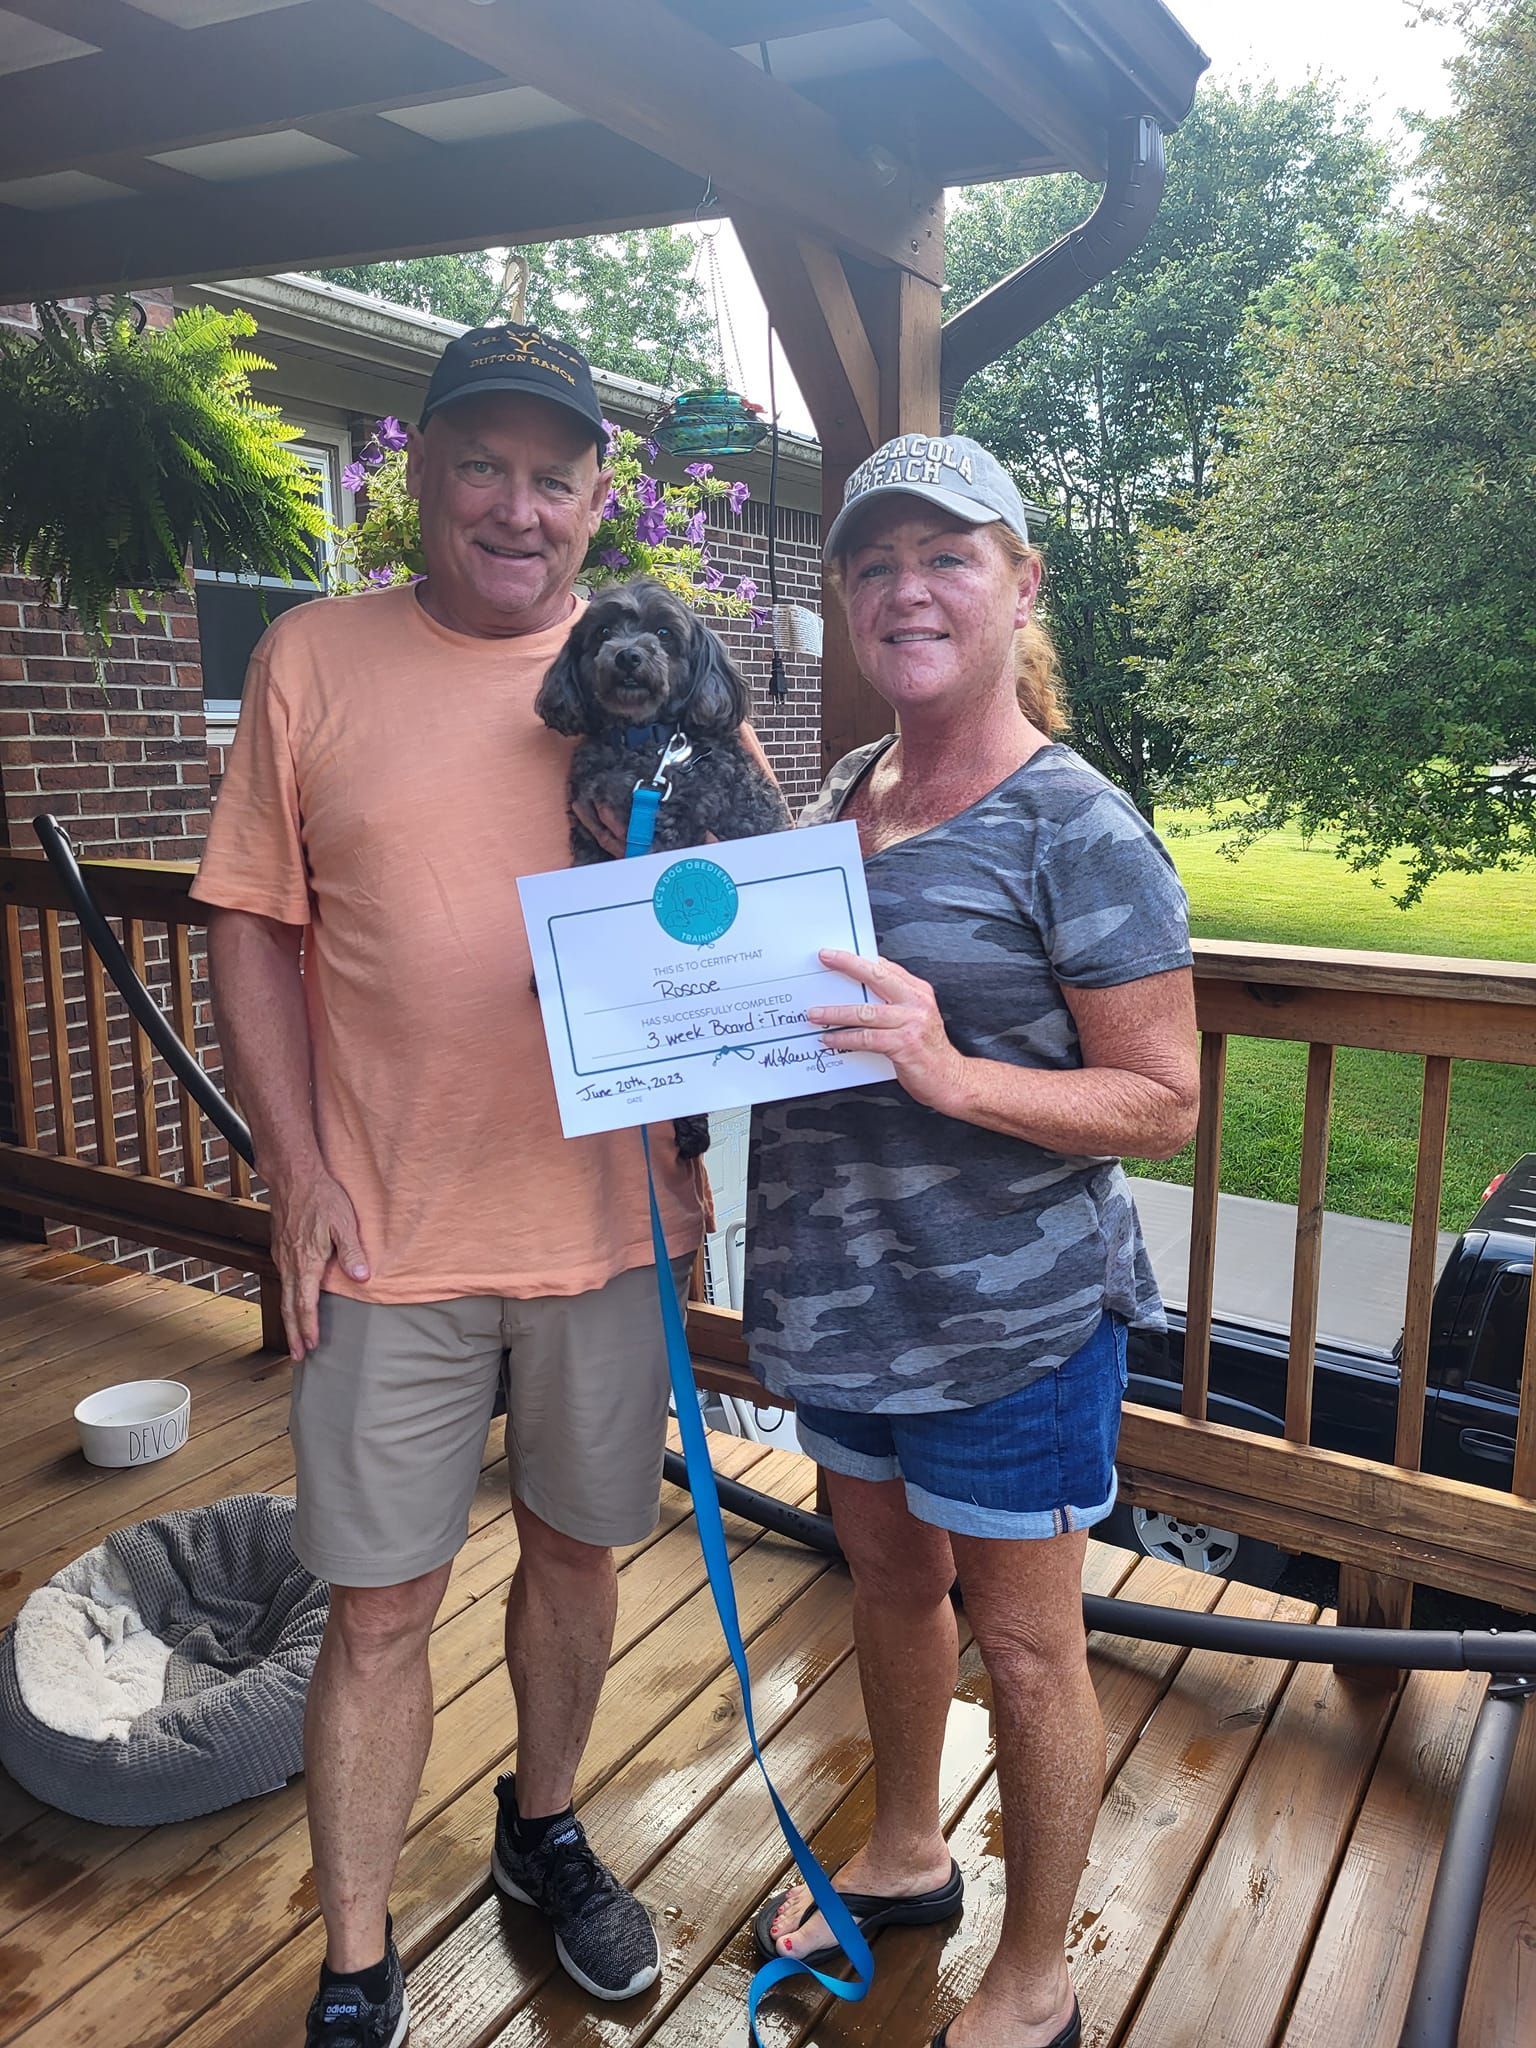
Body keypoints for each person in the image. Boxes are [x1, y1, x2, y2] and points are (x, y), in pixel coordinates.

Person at [192, 324, 710, 2048]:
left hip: (606, 1228)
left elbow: (734, 930)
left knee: (578, 1557)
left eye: (553, 475)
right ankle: (355, 1955)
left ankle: (543, 1828)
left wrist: (693, 1139)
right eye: (480, 465)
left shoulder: (668, 674)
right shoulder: (310, 657)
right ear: (415, 472)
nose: (517, 505)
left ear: (593, 499)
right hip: (388, 1226)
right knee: (382, 1605)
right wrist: (293, 1174)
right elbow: (253, 925)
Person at [743, 434, 1200, 2048]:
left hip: (1007, 1324)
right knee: (882, 1588)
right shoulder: (833, 804)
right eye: (873, 565)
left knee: (1026, 1646)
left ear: (1022, 584)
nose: (905, 590)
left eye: (946, 556)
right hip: (838, 1305)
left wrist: (946, 1070)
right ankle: (903, 1848)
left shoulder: (1078, 824)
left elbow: (1162, 1101)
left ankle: (1034, 1975)